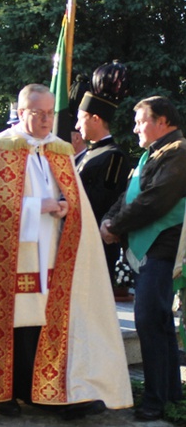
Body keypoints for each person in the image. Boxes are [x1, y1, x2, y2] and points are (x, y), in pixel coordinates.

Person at [0, 84, 132, 420]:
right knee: (14, 321)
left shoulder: (59, 150)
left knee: (50, 321)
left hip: (52, 251)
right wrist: (40, 205)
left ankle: (54, 393)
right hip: (7, 254)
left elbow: (73, 197)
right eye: (39, 113)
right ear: (22, 112)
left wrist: (66, 206)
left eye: (51, 113)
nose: (47, 119)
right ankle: (3, 392)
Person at [102, 96, 186, 421]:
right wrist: (109, 219)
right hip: (150, 248)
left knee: (150, 319)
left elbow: (155, 201)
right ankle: (169, 393)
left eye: (141, 121)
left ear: (162, 121)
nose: (136, 127)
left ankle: (154, 400)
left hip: (164, 249)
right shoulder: (153, 153)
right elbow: (128, 195)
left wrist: (115, 225)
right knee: (159, 322)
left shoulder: (178, 152)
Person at [76, 62, 132, 285]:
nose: (77, 126)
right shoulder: (85, 155)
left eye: (81, 119)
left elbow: (103, 201)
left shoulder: (114, 156)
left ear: (95, 119)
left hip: (96, 244)